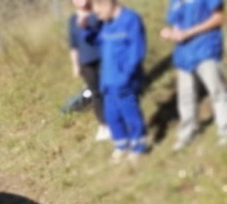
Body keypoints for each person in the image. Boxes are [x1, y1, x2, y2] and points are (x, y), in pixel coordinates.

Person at [83, 0, 149, 162]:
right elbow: (95, 41)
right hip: (108, 81)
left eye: (98, 12)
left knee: (130, 114)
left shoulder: (131, 19)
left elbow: (137, 51)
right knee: (112, 116)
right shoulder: (107, 24)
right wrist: (88, 27)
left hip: (124, 80)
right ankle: (121, 146)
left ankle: (138, 146)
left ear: (108, 4)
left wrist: (126, 76)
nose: (97, 16)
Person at [161, 0, 227, 150]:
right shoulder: (175, 2)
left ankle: (225, 130)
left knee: (217, 91)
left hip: (206, 48)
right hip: (184, 54)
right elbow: (175, 23)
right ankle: (188, 132)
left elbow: (219, 18)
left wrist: (190, 32)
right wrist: (171, 33)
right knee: (186, 96)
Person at [69, 0, 111, 141]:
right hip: (86, 62)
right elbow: (73, 45)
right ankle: (103, 125)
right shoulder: (73, 20)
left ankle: (116, 118)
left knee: (110, 88)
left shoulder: (98, 12)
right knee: (95, 93)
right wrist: (75, 65)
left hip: (103, 57)